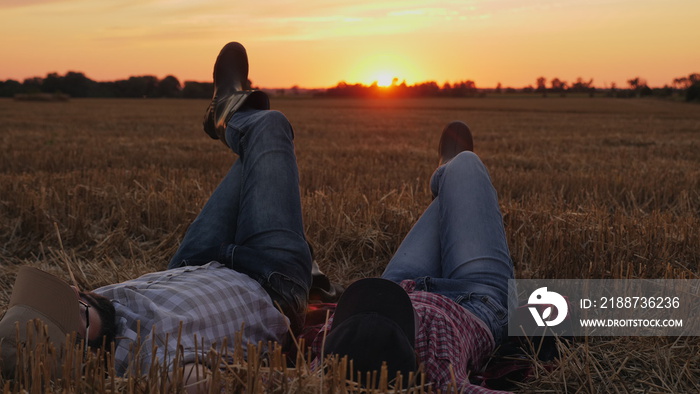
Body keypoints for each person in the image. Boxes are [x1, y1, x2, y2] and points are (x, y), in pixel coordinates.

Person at [0, 42, 313, 381]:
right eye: (75, 306)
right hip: (268, 280)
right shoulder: (160, 364)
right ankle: (229, 112)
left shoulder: (97, 313)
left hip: (193, 263)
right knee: (268, 129)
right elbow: (208, 381)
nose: (76, 291)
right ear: (86, 361)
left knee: (258, 155)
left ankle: (230, 112)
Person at [316, 121, 515, 392]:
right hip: (475, 298)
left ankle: (447, 177)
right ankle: (446, 175)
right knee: (467, 166)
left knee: (458, 183)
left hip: (396, 288)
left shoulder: (328, 357)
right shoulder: (440, 369)